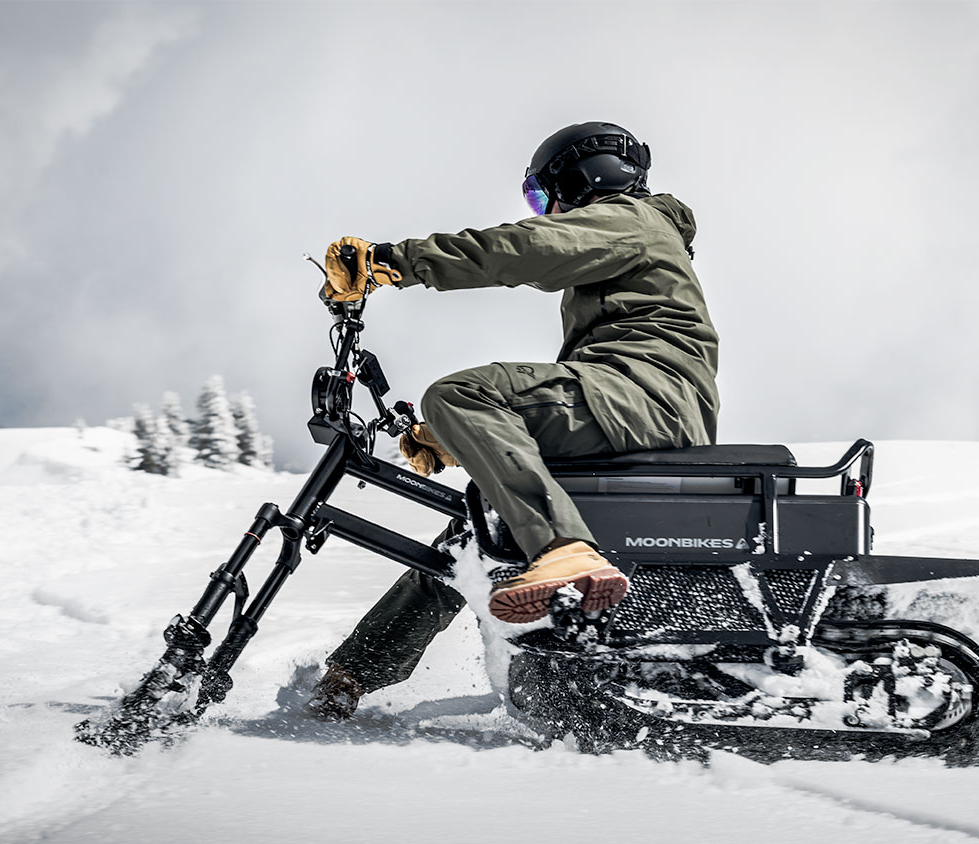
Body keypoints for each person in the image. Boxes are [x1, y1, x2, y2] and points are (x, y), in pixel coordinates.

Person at [306, 121, 719, 720]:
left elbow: (528, 248)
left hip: (642, 398)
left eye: (540, 195)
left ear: (582, 178)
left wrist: (393, 262)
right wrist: (448, 438)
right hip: (628, 404)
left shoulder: (630, 218)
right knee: (476, 532)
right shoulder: (639, 234)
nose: (542, 210)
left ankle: (564, 549)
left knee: (461, 392)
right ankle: (352, 675)